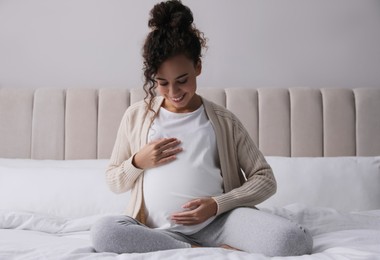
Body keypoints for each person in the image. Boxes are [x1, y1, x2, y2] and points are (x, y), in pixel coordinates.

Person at [91, 0, 313, 256]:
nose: (173, 92)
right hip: (155, 230)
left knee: (293, 240)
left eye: (182, 81)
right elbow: (113, 180)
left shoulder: (223, 120)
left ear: (198, 66)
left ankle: (204, 244)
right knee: (104, 231)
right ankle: (195, 249)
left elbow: (265, 179)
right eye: (162, 83)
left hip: (219, 224)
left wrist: (217, 204)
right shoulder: (136, 116)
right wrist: (138, 162)